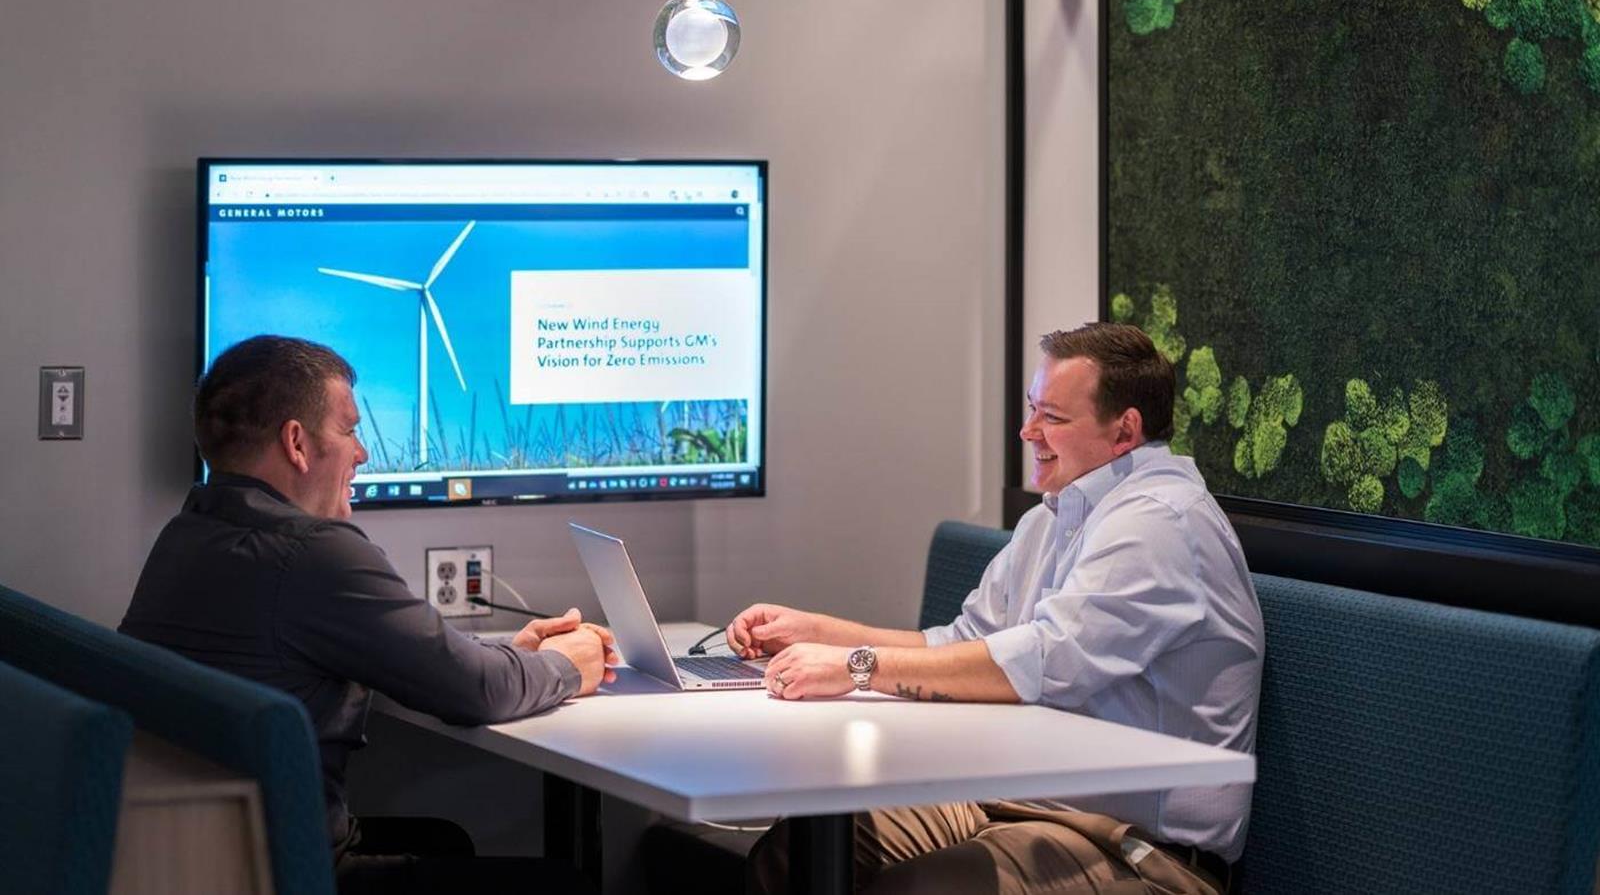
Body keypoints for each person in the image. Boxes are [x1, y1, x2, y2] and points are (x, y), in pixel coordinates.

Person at [727, 323, 1264, 895]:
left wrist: (859, 666)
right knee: (798, 852)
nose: (1027, 430)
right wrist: (820, 633)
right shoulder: (1054, 516)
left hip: (1134, 850)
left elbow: (1040, 663)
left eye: (1053, 418)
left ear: (1125, 430)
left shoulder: (1160, 521)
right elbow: (963, 643)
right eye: (1033, 409)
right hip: (1010, 804)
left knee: (916, 891)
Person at [120, 334, 614, 894]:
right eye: (350, 431)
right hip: (291, 869)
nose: (363, 454)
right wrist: (567, 664)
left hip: (205, 853)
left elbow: (425, 662)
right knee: (561, 886)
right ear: (297, 444)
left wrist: (512, 655)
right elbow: (476, 692)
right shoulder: (314, 553)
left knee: (446, 843)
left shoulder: (188, 533)